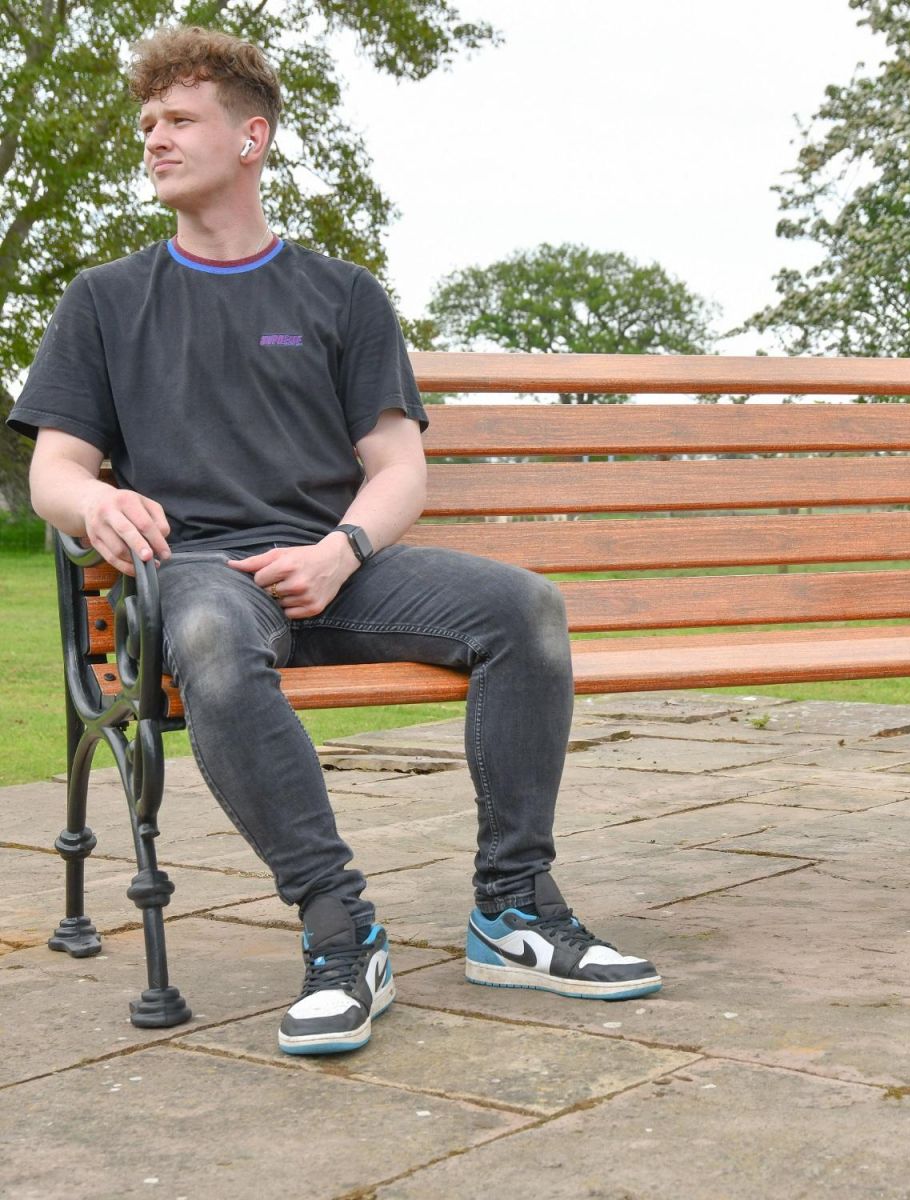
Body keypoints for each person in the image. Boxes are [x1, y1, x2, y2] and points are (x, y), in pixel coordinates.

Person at [8, 25, 659, 1057]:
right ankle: (341, 932)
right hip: (204, 575)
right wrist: (91, 507)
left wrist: (341, 550)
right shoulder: (106, 302)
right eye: (147, 124)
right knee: (217, 641)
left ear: (252, 136)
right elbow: (55, 467)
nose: (155, 140)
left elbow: (398, 465)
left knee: (522, 609)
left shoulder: (342, 296)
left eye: (179, 119)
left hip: (338, 571)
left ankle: (514, 911)